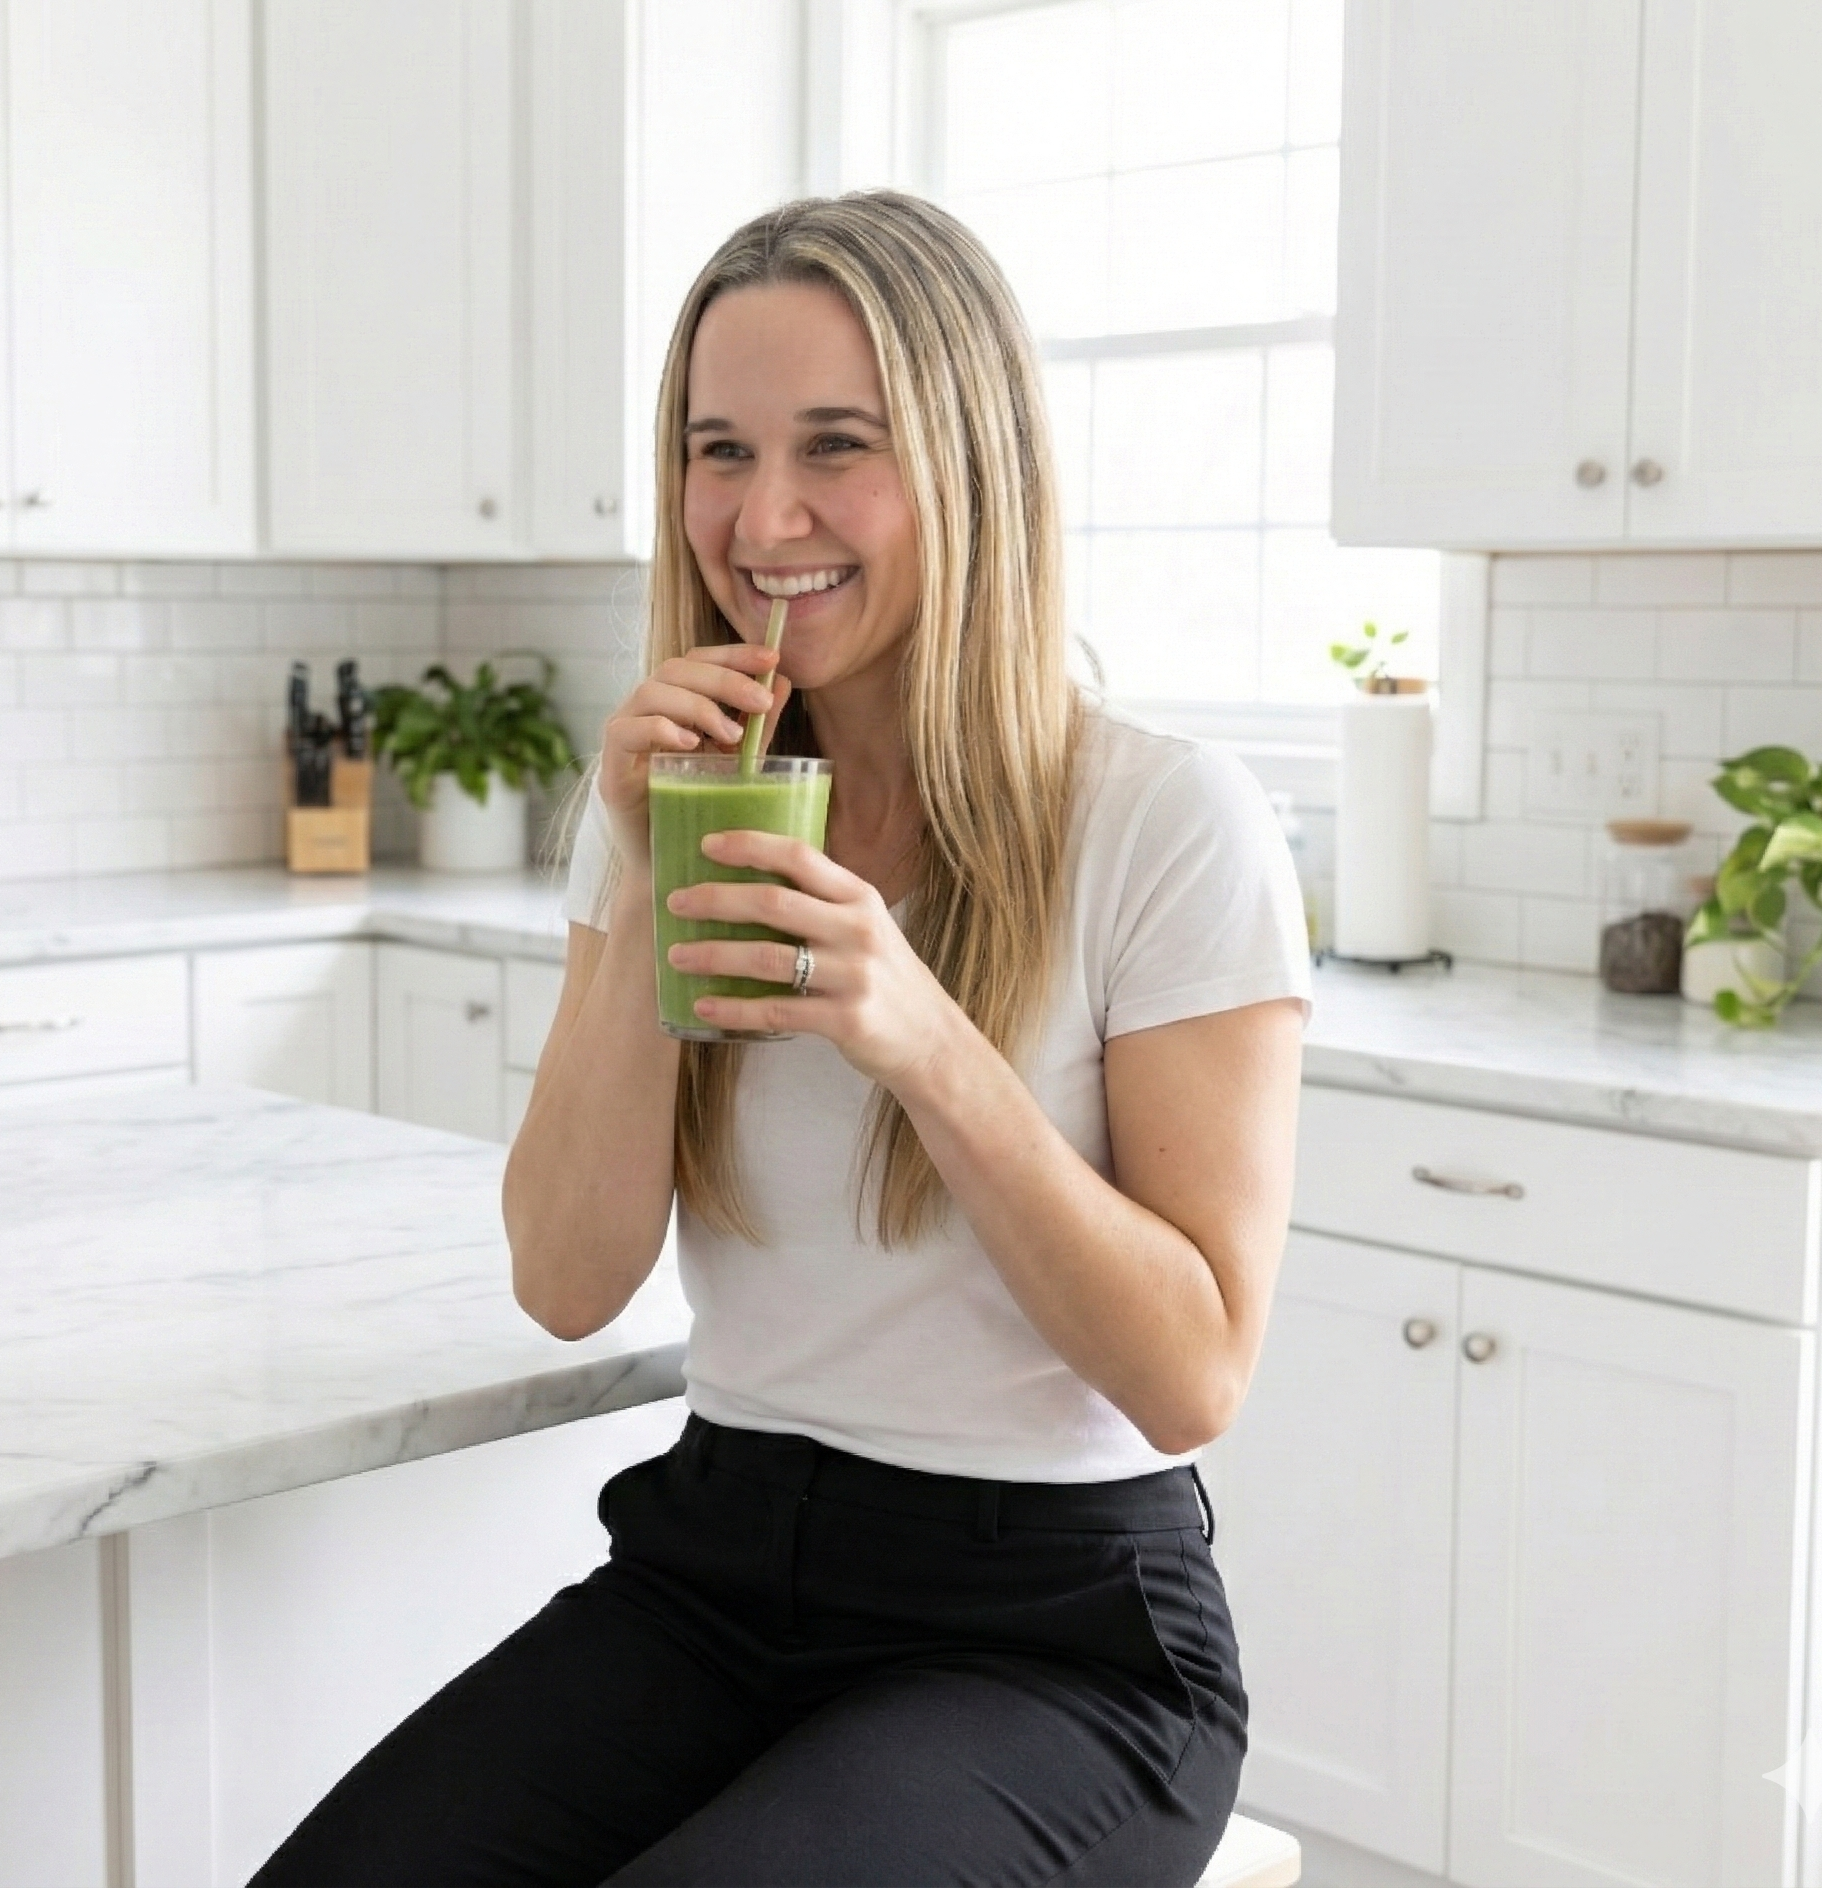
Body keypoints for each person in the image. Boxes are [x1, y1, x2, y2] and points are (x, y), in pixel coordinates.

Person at [253, 189, 1309, 1888]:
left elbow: (1193, 1372)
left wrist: (924, 1038)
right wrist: (629, 864)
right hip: (715, 1566)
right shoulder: (684, 800)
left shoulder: (1167, 820)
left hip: (1056, 1638)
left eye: (838, 445)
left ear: (969, 465)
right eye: (718, 449)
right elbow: (567, 1276)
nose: (765, 516)